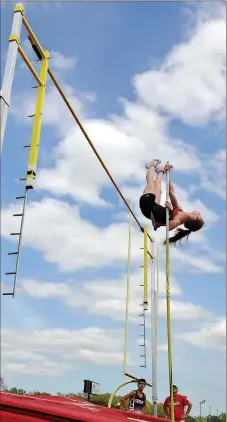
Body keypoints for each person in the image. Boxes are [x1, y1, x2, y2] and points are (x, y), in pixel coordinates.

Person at [139, 159, 204, 245]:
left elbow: (169, 227)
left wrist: (170, 209)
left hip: (148, 208)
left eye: (200, 216)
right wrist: (168, 176)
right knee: (158, 188)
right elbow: (171, 192)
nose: (200, 214)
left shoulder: (177, 221)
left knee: (151, 184)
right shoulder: (179, 210)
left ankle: (151, 166)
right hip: (154, 207)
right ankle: (161, 171)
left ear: (194, 217)